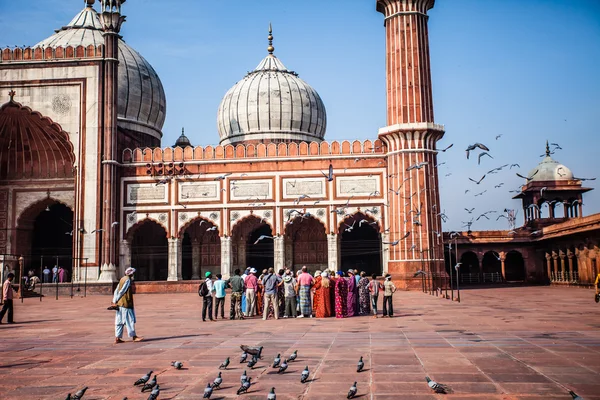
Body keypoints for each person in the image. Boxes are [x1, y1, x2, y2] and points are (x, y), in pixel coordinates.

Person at [112, 268, 142, 343]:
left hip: (120, 303)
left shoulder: (122, 279)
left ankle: (117, 338)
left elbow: (116, 290)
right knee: (129, 320)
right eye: (133, 273)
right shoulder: (127, 280)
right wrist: (116, 300)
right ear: (130, 274)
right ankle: (134, 337)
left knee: (119, 321)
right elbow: (122, 291)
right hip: (125, 303)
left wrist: (114, 300)